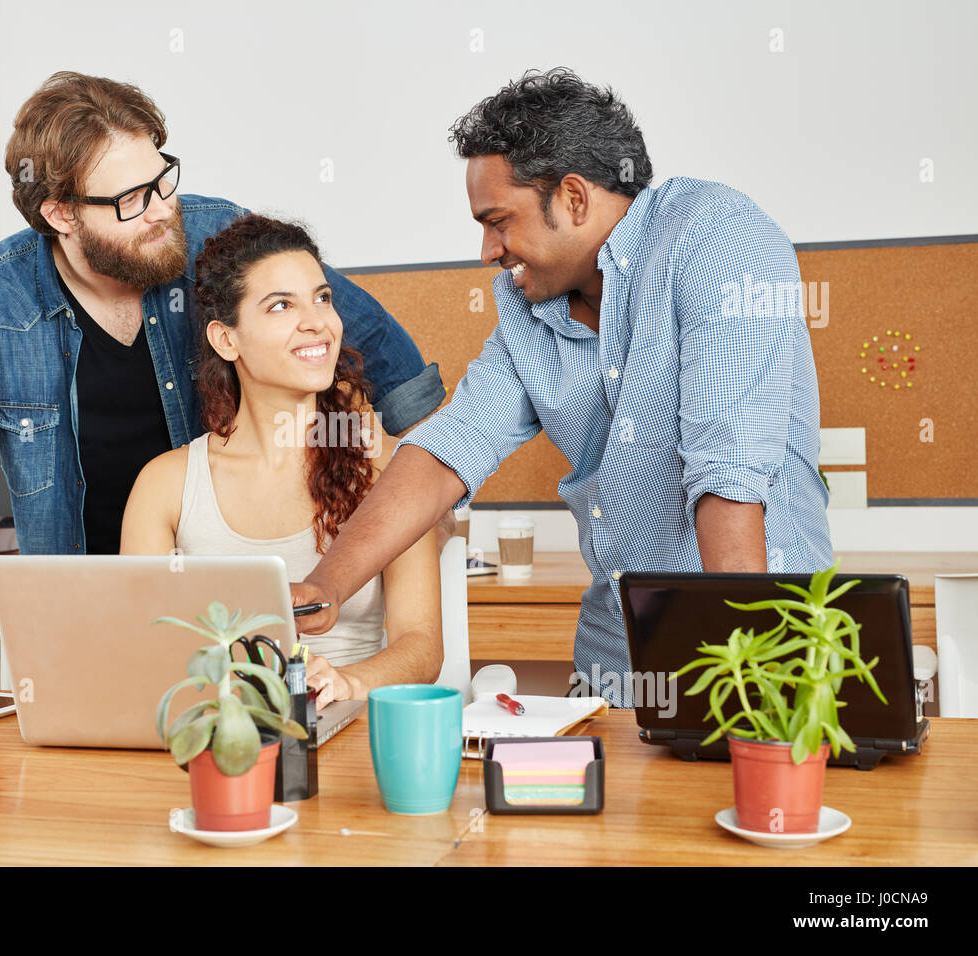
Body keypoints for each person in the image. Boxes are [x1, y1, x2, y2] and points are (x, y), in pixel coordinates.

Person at [0, 71, 444, 707]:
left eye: (163, 179)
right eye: (130, 199)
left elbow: (379, 350)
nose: (161, 210)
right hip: (69, 608)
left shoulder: (213, 237)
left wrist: (425, 505)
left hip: (197, 607)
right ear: (60, 213)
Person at [292, 68, 832, 707]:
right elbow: (448, 450)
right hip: (614, 664)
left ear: (574, 199)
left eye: (499, 221)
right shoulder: (529, 306)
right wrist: (322, 590)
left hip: (753, 644)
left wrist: (753, 676)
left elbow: (728, 474)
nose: (488, 249)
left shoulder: (717, 239)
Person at [121, 215, 442, 705]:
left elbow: (420, 647)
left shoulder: (392, 468)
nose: (316, 321)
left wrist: (345, 682)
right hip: (217, 730)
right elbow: (141, 647)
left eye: (322, 298)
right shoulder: (164, 486)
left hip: (351, 725)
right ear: (226, 339)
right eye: (280, 306)